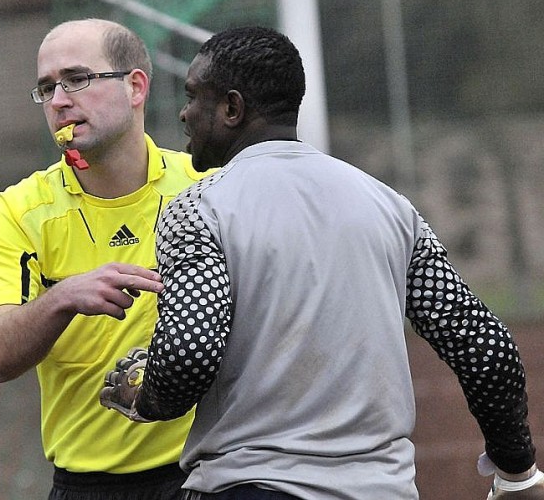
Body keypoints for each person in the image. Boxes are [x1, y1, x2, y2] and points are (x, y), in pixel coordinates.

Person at [100, 26, 543, 499]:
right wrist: (517, 474)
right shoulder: (389, 206)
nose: (185, 114)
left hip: (252, 487)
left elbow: (188, 353)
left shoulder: (199, 209)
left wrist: (144, 396)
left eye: (192, 97)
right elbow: (485, 347)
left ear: (232, 109)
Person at [0, 18, 210, 499]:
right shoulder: (20, 211)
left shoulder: (208, 187)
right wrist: (62, 297)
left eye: (78, 79)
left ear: (136, 87)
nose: (60, 100)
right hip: (85, 486)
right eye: (47, 88)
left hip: (207, 475)